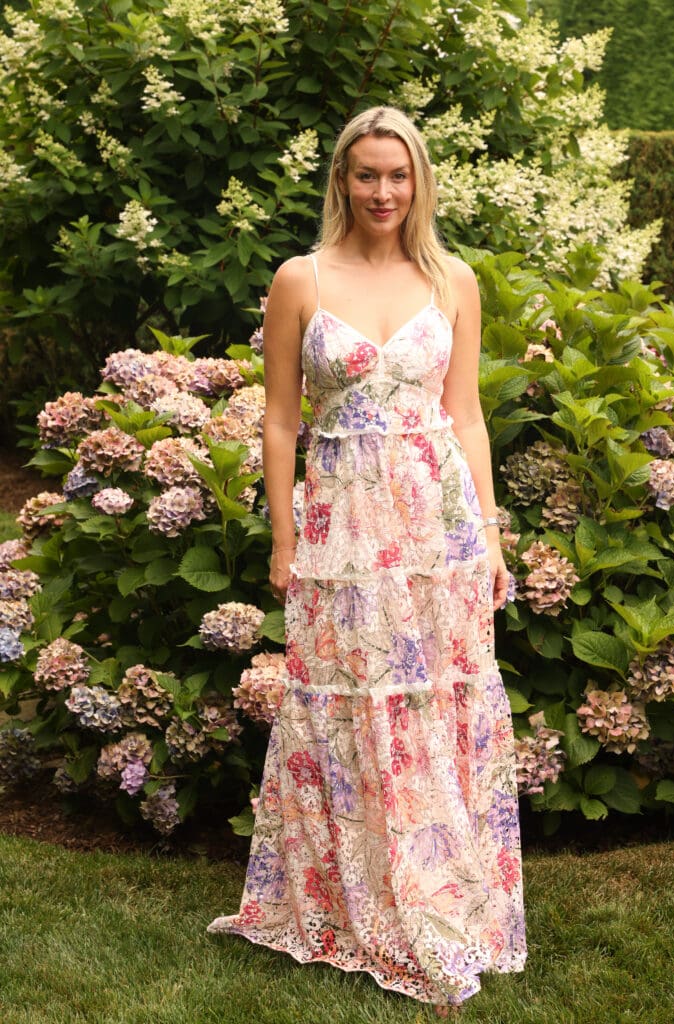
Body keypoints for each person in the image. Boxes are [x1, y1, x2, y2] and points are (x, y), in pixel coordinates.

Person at [207, 105, 527, 1015]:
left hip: (438, 532)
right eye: (366, 174)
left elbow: (464, 415)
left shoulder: (453, 280)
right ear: (341, 179)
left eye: (398, 175)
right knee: (352, 707)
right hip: (343, 532)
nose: (383, 192)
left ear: (418, 181)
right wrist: (283, 536)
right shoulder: (300, 279)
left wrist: (491, 534)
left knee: (437, 701)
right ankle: (355, 905)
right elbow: (279, 419)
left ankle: (441, 901)